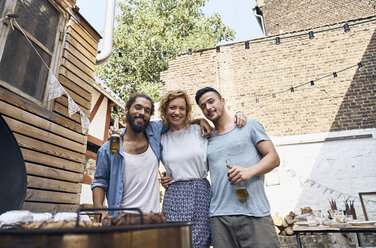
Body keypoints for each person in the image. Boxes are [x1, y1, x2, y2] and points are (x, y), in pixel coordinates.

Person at [194, 87, 280, 248]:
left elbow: (274, 158)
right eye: (203, 106)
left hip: (254, 213)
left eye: (211, 101)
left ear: (223, 101)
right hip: (219, 217)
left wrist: (249, 171)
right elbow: (177, 125)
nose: (208, 107)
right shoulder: (206, 138)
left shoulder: (249, 125)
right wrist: (198, 121)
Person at [159, 90, 247, 248]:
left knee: (200, 242)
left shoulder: (200, 130)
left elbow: (224, 130)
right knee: (174, 242)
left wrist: (239, 115)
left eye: (182, 108)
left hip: (201, 192)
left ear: (187, 111)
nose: (177, 112)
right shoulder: (161, 138)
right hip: (174, 194)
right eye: (172, 108)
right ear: (165, 109)